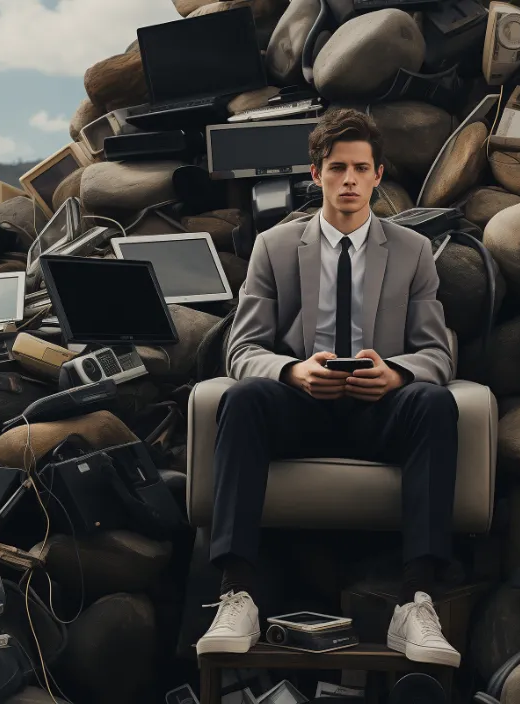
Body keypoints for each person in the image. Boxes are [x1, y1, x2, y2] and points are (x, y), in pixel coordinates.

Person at [196, 109, 462, 668]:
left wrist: (396, 373)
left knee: (434, 402)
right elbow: (241, 350)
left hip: (377, 408)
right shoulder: (274, 246)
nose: (348, 179)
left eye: (360, 168)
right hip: (301, 404)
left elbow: (437, 353)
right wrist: (293, 372)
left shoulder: (412, 251)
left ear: (377, 175)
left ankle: (417, 602)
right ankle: (235, 594)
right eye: (337, 167)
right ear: (315, 174)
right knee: (240, 398)